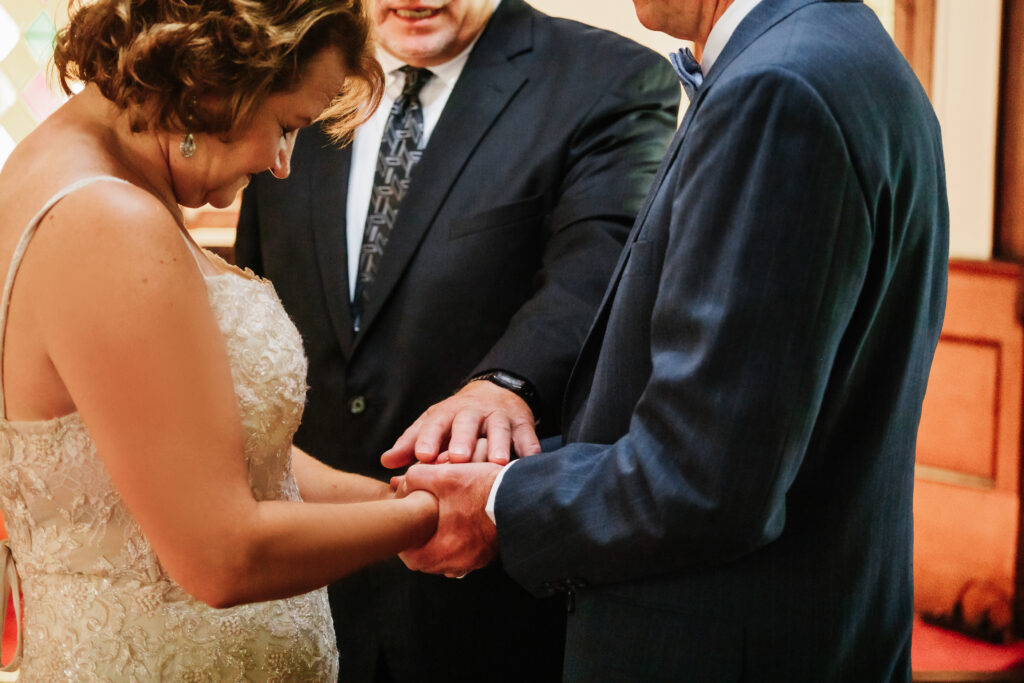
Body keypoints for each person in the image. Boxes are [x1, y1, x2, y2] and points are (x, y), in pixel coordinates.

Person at [390, 0, 950, 680]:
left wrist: (500, 505)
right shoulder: (829, 49)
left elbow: (704, 479)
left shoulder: (779, 89)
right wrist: (508, 468)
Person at [234, 0, 680, 679]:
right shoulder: (286, 72)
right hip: (299, 595)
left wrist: (504, 384)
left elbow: (600, 271)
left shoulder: (610, 81)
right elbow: (250, 297)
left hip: (490, 607)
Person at [0, 0, 440, 679]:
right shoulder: (107, 218)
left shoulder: (90, 172)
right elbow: (222, 554)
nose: (282, 163)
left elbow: (228, 456)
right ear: (221, 76)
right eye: (287, 125)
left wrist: (394, 498)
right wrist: (430, 521)